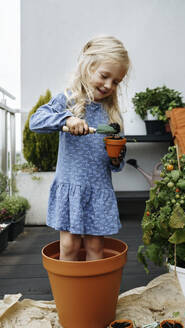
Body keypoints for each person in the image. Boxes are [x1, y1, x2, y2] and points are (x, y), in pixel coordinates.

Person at [29, 35, 130, 261]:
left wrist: (116, 157)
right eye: (105, 76)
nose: (108, 85)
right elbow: (36, 121)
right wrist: (67, 120)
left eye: (116, 82)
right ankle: (71, 295)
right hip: (71, 187)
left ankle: (92, 295)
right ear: (88, 67)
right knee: (69, 245)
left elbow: (117, 161)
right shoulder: (67, 101)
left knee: (95, 248)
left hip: (98, 188)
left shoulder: (112, 115)